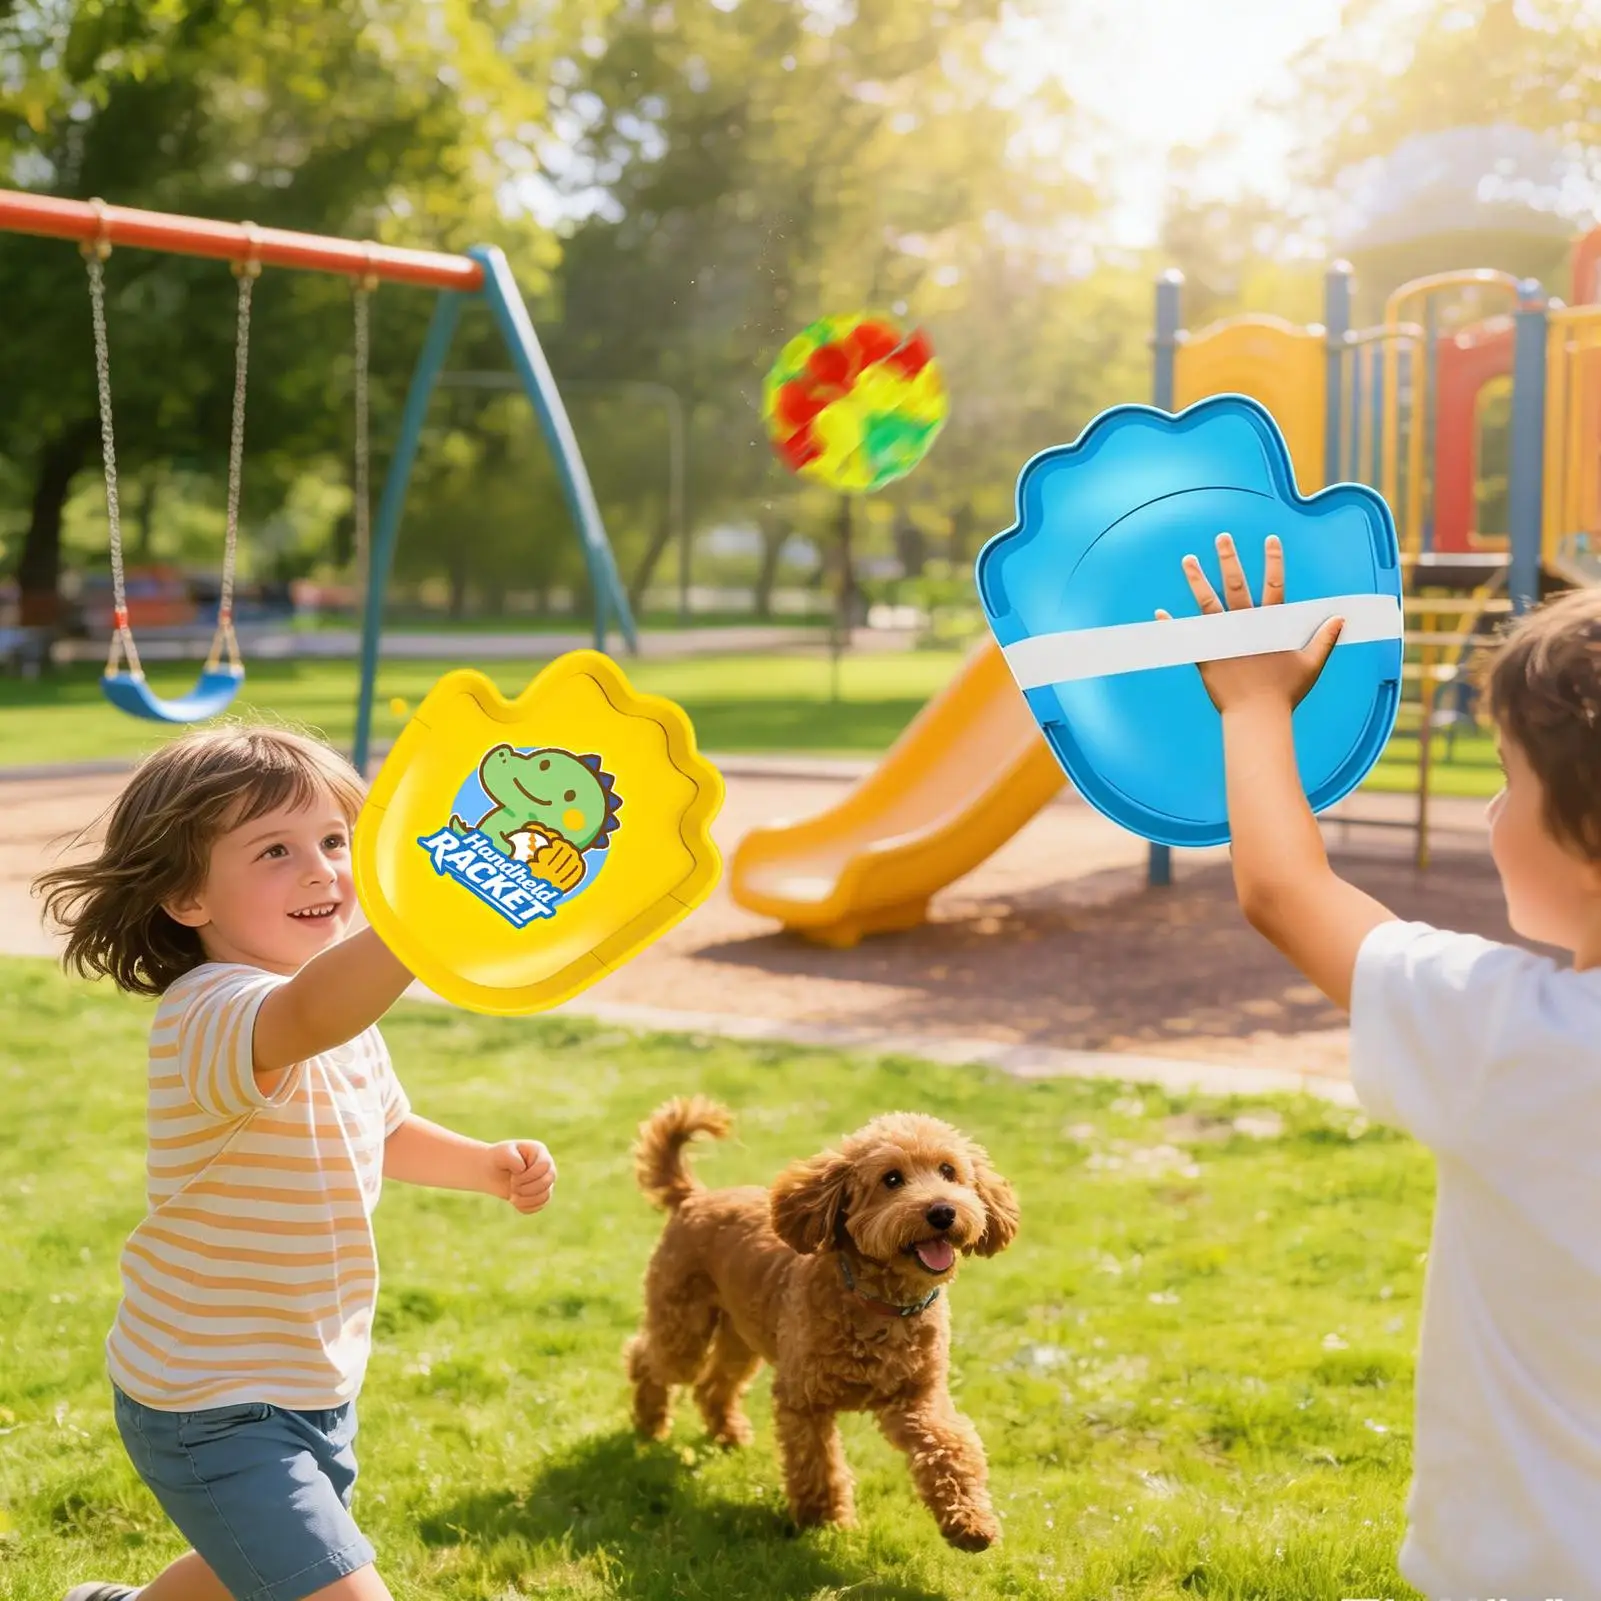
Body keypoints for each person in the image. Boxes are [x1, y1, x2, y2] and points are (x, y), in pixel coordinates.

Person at [1169, 533, 1601, 1601]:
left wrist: (1253, 703)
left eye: (1505, 778)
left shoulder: (1515, 1037)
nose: (1492, 811)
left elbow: (1284, 890)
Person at [33, 726, 559, 1601]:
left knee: (248, 1566)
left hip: (312, 1379)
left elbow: (384, 1127)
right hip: (207, 1394)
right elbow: (310, 1014)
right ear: (186, 895)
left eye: (333, 841)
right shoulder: (209, 1010)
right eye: (274, 850)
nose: (321, 871)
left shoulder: (338, 1021)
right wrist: (420, 921)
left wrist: (485, 1165)